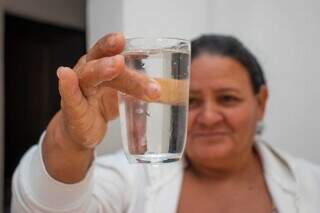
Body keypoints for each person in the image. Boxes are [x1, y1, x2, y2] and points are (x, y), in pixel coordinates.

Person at [11, 32, 320, 213]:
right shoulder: (130, 178)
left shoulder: (311, 185)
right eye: (192, 101)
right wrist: (71, 138)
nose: (209, 117)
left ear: (261, 102)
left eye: (227, 99)